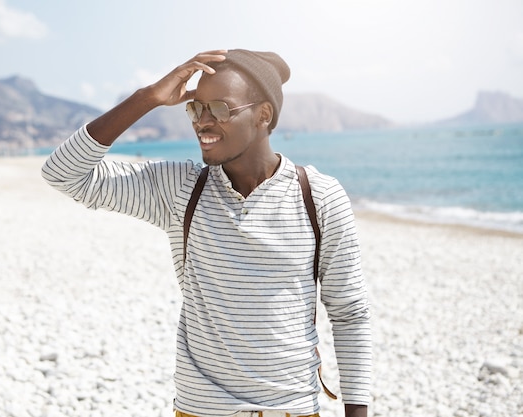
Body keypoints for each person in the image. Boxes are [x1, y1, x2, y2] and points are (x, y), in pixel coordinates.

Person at [42, 49, 371, 417]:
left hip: (294, 408)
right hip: (202, 410)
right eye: (196, 109)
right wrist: (147, 98)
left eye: (220, 109)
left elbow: (350, 314)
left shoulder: (319, 197)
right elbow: (62, 174)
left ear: (264, 115)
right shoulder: (180, 188)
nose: (202, 122)